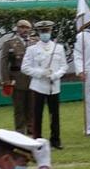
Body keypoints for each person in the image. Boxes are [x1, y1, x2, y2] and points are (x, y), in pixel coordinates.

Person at [22, 18, 66, 149]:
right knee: (37, 115)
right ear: (39, 33)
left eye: (47, 31)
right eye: (42, 31)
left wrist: (55, 75)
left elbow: (64, 66)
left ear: (51, 31)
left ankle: (55, 140)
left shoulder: (58, 48)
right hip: (38, 86)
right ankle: (37, 141)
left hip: (54, 86)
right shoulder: (32, 49)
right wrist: (41, 73)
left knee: (55, 115)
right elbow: (25, 67)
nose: (45, 33)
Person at [0, 17, 34, 134]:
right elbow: (4, 63)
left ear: (30, 29)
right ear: (17, 29)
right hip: (17, 80)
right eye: (22, 27)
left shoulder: (35, 43)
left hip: (33, 80)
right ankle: (20, 130)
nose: (24, 30)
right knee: (19, 108)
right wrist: (6, 80)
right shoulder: (9, 44)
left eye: (27, 27)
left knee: (32, 106)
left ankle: (31, 128)